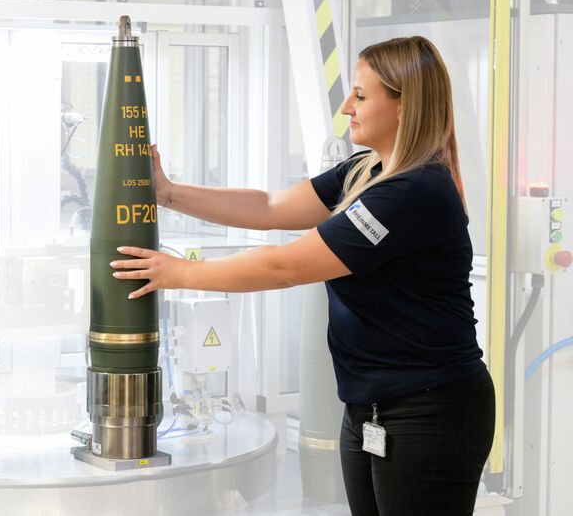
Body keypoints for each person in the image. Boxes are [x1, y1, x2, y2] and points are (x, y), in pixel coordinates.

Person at [110, 36, 495, 516]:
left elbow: (285, 266)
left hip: (429, 412)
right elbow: (270, 207)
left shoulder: (412, 193)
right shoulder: (365, 171)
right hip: (369, 408)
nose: (346, 107)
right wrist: (167, 192)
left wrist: (182, 272)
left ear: (404, 106)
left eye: (360, 96)